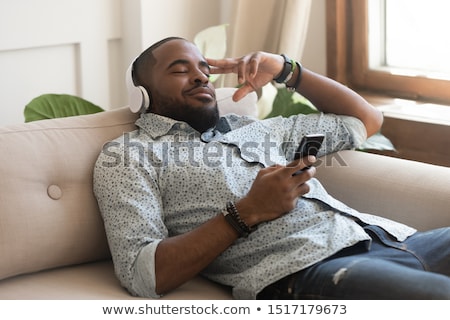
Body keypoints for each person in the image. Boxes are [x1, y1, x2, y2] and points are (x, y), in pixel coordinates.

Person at [93, 37, 450, 299]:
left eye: (204, 68)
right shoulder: (128, 155)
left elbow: (366, 119)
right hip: (315, 270)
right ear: (141, 93)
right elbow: (142, 273)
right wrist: (246, 212)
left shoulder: (256, 129)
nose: (202, 77)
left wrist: (286, 70)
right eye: (180, 70)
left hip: (392, 239)